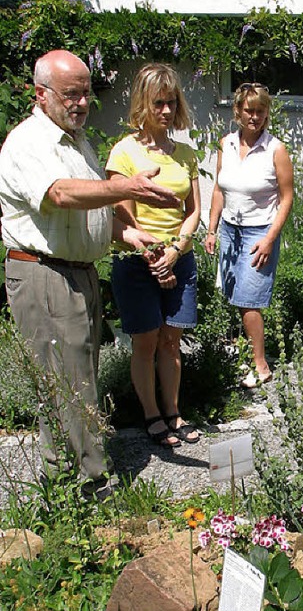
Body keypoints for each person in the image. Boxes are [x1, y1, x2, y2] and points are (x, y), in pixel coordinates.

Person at [0, 49, 179, 498]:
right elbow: (60, 195)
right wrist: (127, 186)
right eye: (70, 94)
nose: (81, 103)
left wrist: (128, 235)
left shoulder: (75, 141)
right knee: (68, 384)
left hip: (75, 272)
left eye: (85, 92)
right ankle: (90, 486)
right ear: (40, 95)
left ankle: (70, 475)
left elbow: (89, 209)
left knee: (78, 377)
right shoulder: (29, 143)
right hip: (45, 275)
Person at [106, 63, 201, 448]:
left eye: (171, 102)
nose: (165, 111)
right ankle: (151, 414)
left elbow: (192, 210)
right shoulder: (124, 152)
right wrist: (152, 257)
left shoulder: (185, 154)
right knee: (145, 342)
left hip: (179, 258)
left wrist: (176, 250)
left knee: (171, 341)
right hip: (137, 260)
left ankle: (174, 410)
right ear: (143, 104)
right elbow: (121, 212)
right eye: (158, 103)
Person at [205, 83, 294, 387]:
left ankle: (260, 364)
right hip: (230, 230)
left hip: (259, 231)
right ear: (238, 112)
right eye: (249, 110)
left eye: (260, 111)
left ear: (267, 113)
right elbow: (219, 189)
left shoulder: (275, 149)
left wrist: (270, 238)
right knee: (234, 297)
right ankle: (246, 354)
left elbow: (287, 198)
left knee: (249, 299)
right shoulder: (225, 144)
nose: (254, 116)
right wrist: (212, 229)